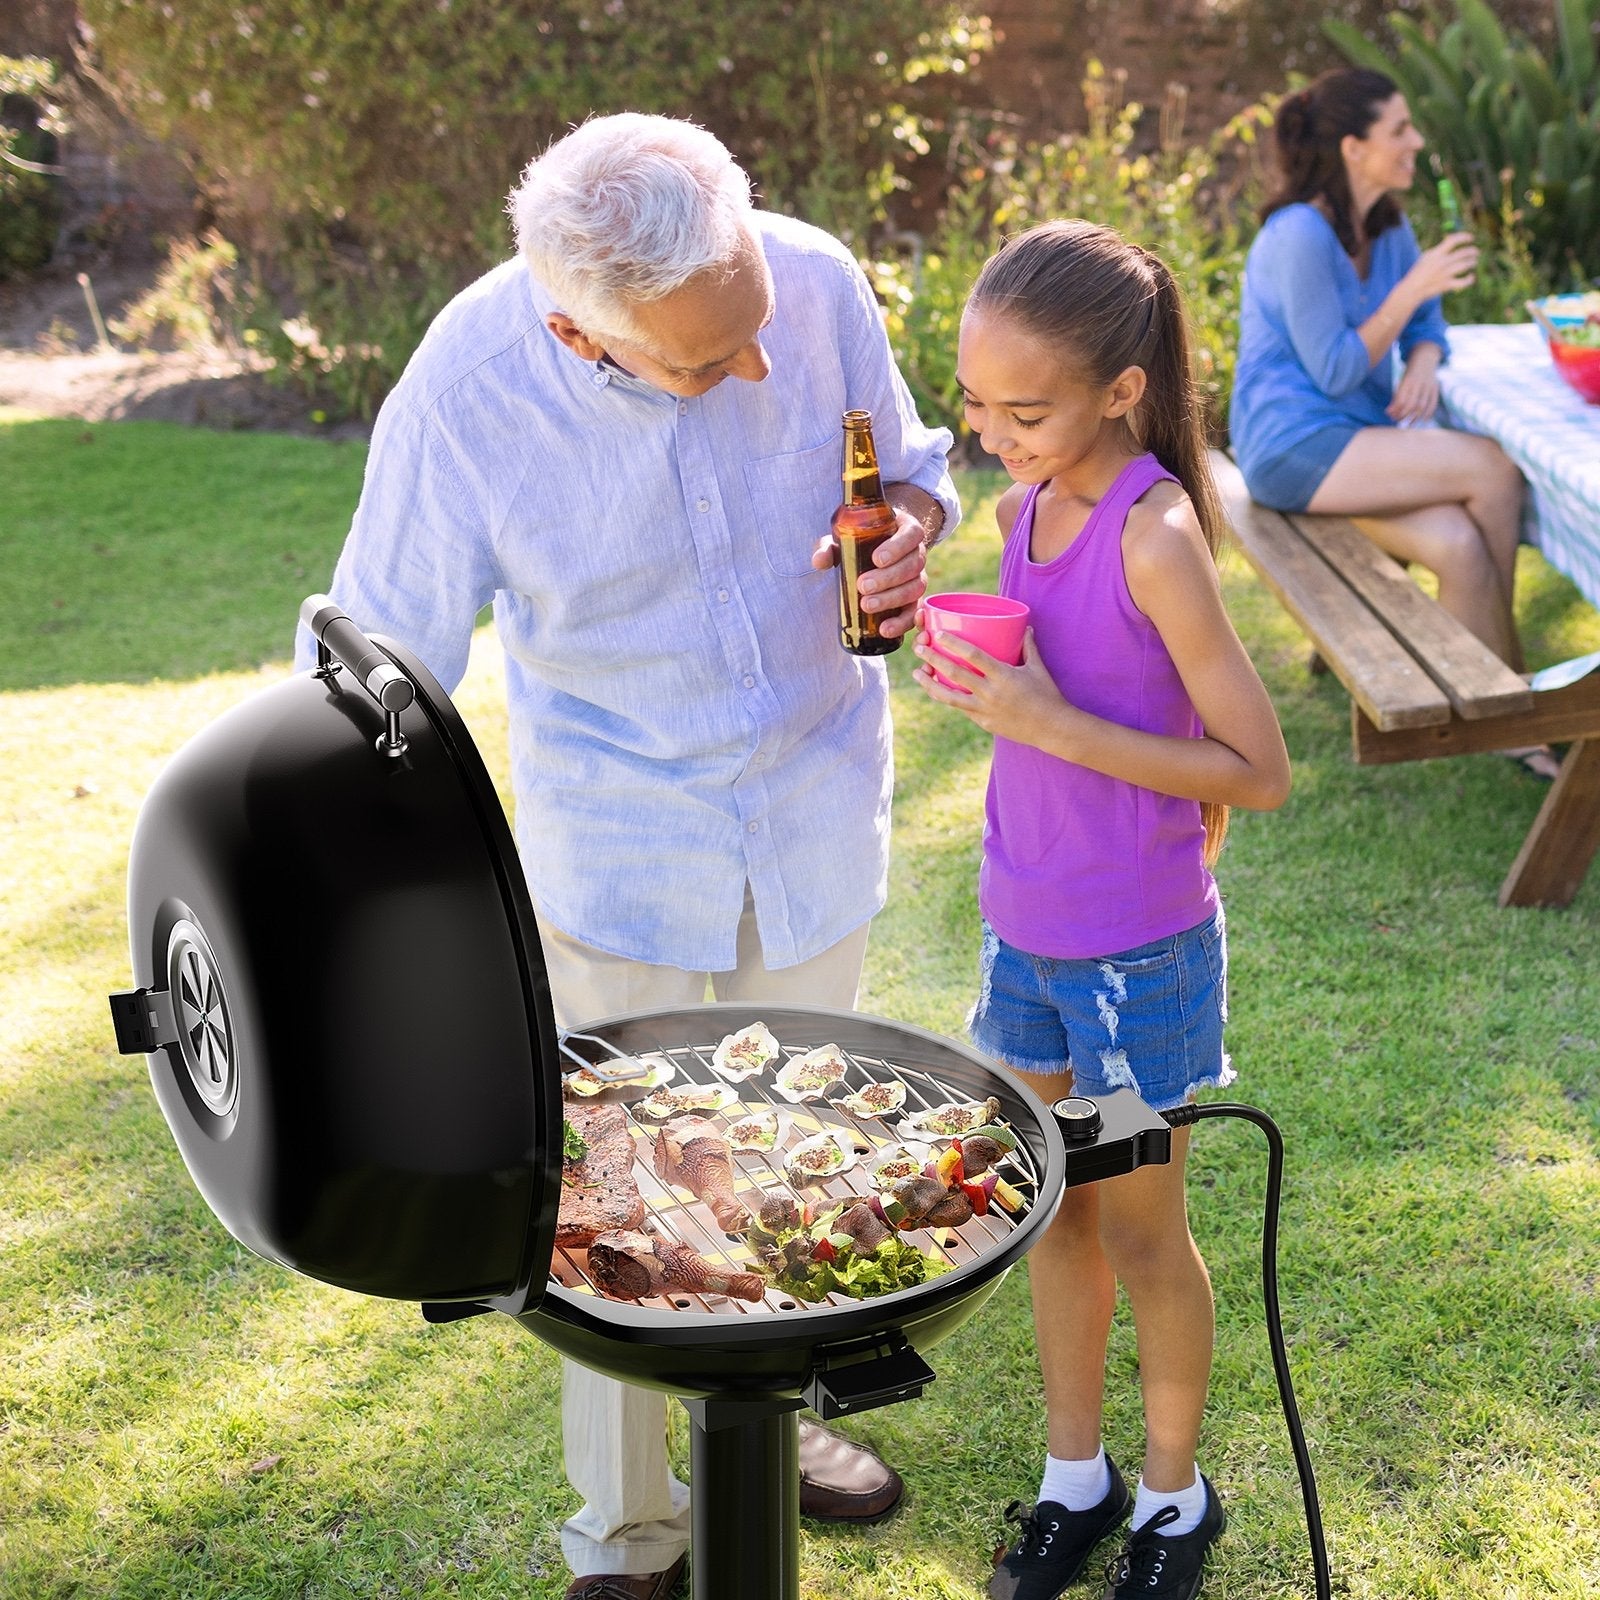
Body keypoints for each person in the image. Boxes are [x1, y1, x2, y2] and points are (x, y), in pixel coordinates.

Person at [296, 113, 960, 1600]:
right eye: (703, 361)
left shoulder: (810, 278)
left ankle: (778, 1421)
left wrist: (910, 526)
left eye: (755, 330)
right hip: (619, 837)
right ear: (576, 327)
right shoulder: (470, 390)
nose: (759, 372)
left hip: (811, 798)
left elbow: (912, 467)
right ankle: (628, 1534)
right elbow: (373, 646)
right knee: (610, 1198)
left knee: (795, 1149)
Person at [911, 219, 1291, 1600]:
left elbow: (1259, 768)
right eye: (974, 402)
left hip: (1134, 964)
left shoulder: (1156, 534)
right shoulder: (1021, 516)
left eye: (1028, 409)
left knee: (1136, 1225)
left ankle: (1178, 1501)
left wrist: (1042, 722)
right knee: (1043, 1212)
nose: (995, 435)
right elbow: (1046, 703)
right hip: (1027, 942)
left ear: (1122, 391)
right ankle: (1078, 1477)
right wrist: (980, 686)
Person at [1230, 69, 1553, 775]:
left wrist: (1425, 362)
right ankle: (1520, 702)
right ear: (1353, 147)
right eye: (1399, 129)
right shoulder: (1297, 237)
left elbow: (1428, 323)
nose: (1416, 141)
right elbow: (1338, 370)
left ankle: (1497, 704)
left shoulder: (1390, 224)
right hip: (1291, 444)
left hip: (1355, 443)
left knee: (1461, 543)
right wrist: (1411, 291)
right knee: (1492, 467)